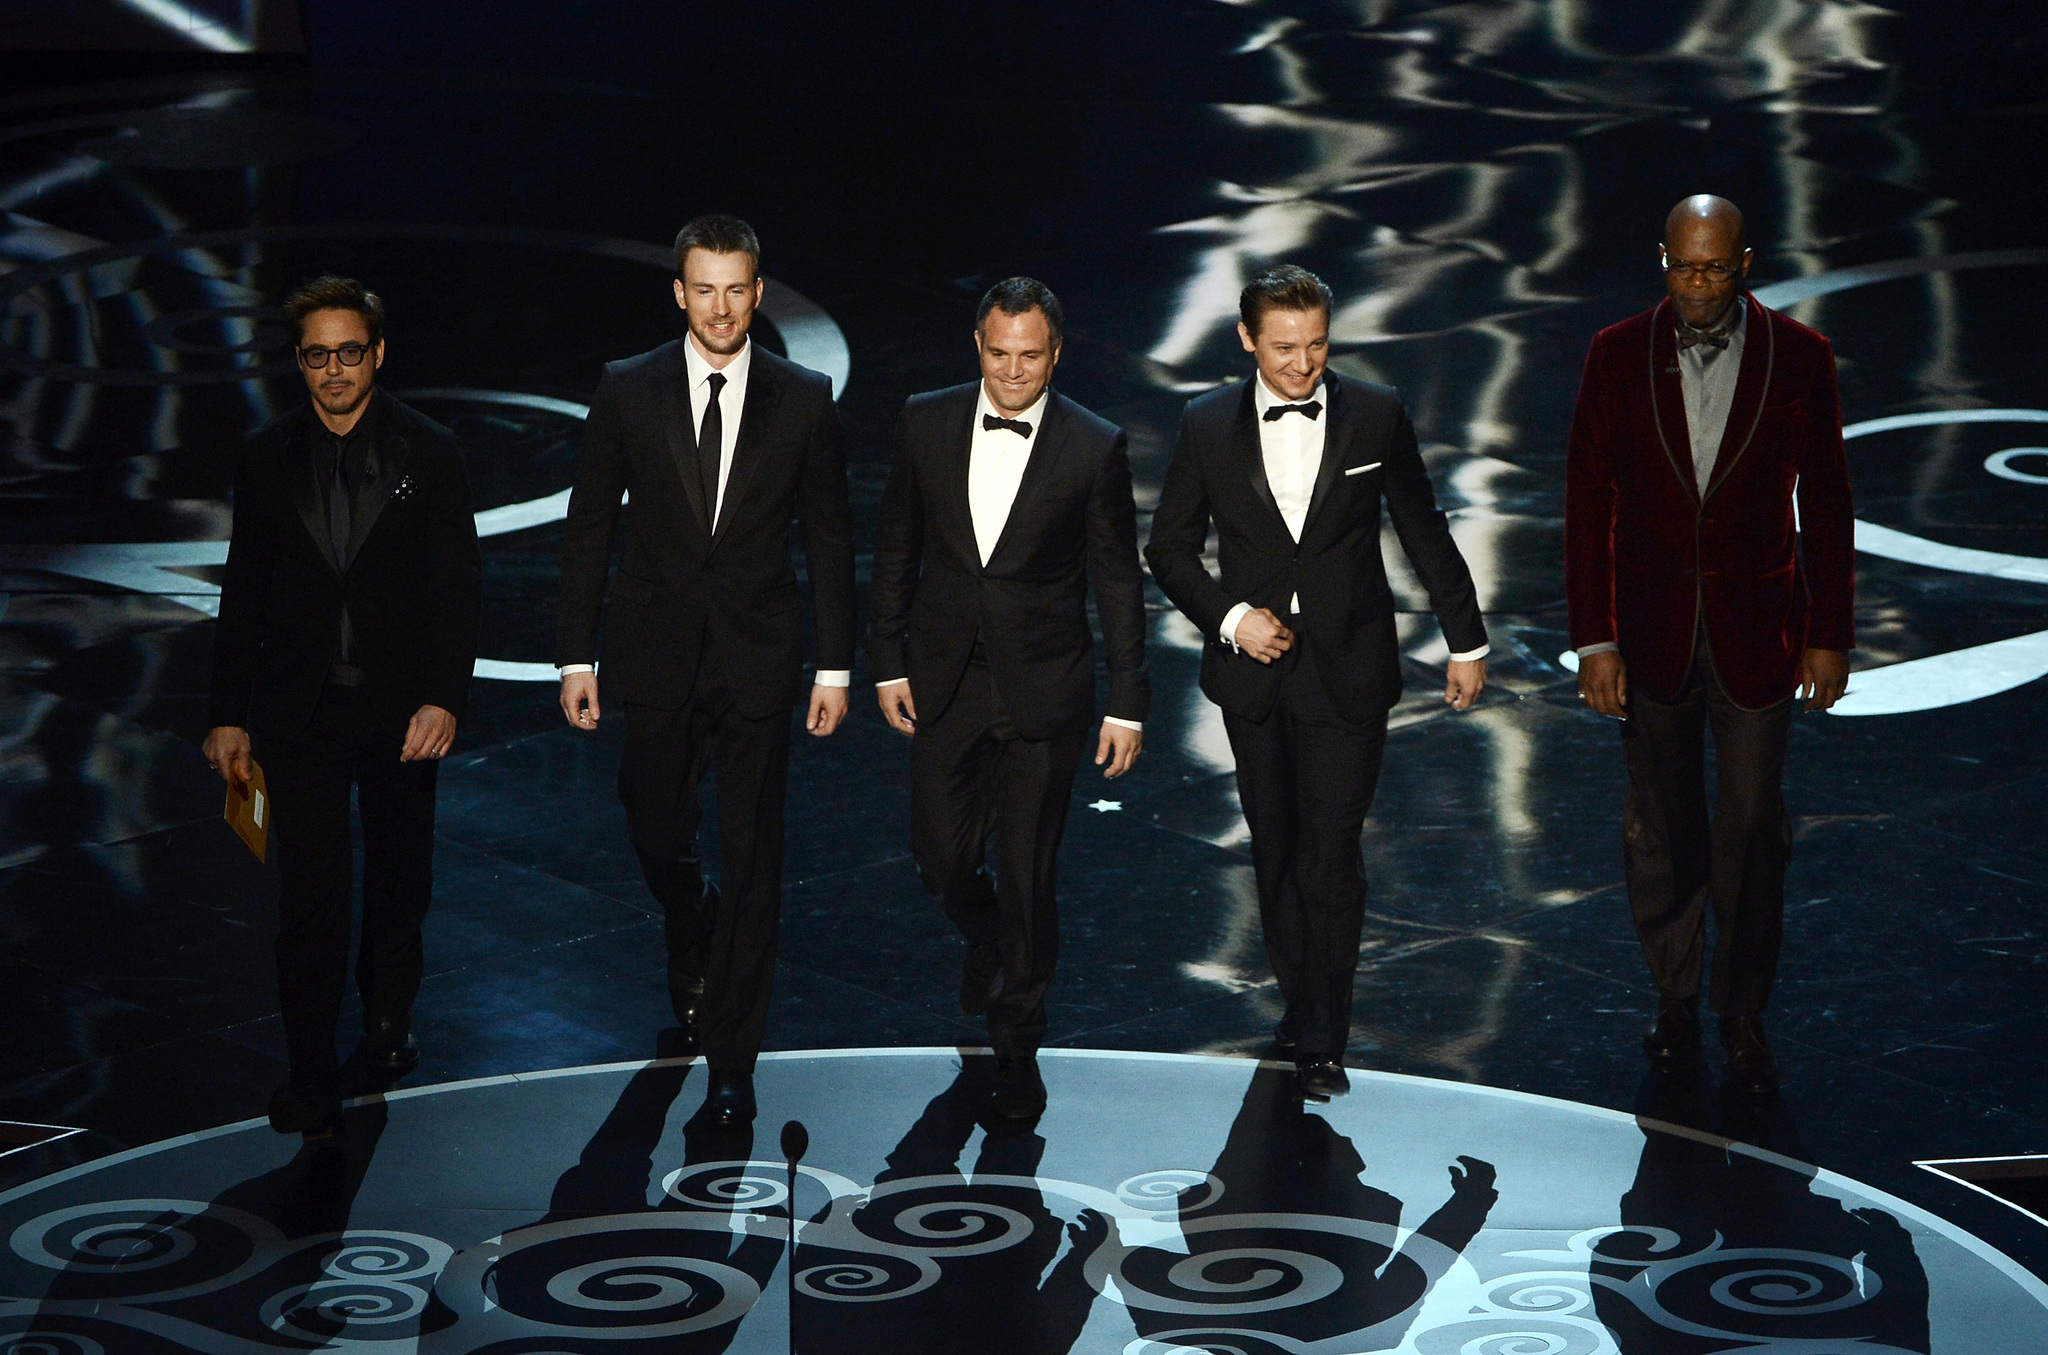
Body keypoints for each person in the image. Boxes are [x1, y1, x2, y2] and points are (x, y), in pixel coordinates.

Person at [1145, 264, 1488, 1103]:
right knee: (1276, 848)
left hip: (1350, 668)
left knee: (1331, 854)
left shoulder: (1375, 412)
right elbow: (1171, 549)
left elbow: (1421, 523)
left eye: (1318, 345)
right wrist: (1232, 618)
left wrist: (1465, 637)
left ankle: (1322, 1034)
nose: (1303, 365)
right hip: (1253, 673)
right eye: (1285, 347)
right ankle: (1302, 1000)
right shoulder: (1205, 424)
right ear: (1247, 340)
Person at [554, 214, 856, 1127]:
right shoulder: (627, 387)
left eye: (738, 289)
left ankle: (733, 1058)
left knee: (757, 857)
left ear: (758, 295)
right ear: (679, 292)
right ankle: (691, 918)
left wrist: (835, 665)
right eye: (704, 289)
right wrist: (577, 651)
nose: (721, 307)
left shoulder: (801, 398)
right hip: (654, 654)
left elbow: (831, 538)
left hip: (759, 661)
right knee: (653, 826)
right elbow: (591, 524)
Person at [1564, 194, 1854, 1095]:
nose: (1697, 285)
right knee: (1662, 831)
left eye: (1715, 269)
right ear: (1662, 259)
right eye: (1684, 267)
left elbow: (1830, 501)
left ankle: (1742, 1013)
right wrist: (1595, 638)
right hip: (1647, 639)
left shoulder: (1799, 357)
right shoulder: (1616, 353)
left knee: (1752, 832)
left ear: (1745, 263)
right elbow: (1586, 503)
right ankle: (1676, 997)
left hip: (1759, 637)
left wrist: (1831, 633)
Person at [204, 275, 482, 1138]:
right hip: (301, 712)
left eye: (349, 352)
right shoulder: (265, 455)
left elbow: (456, 587)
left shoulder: (429, 451)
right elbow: (243, 590)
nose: (334, 370)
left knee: (400, 879)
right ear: (299, 361)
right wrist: (227, 711)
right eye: (318, 355)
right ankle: (310, 1069)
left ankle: (388, 1018)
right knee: (312, 895)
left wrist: (444, 695)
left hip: (402, 711)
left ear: (379, 354)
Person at [869, 277, 1148, 1121]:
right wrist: (886, 662)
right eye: (1000, 353)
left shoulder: (1093, 445)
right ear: (978, 346)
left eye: (1032, 355)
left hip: (1044, 691)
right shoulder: (925, 419)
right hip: (947, 679)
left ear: (1056, 354)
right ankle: (983, 932)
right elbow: (896, 546)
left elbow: (1116, 580)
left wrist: (1127, 700)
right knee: (939, 855)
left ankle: (1018, 1041)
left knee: (1029, 874)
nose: (1015, 371)